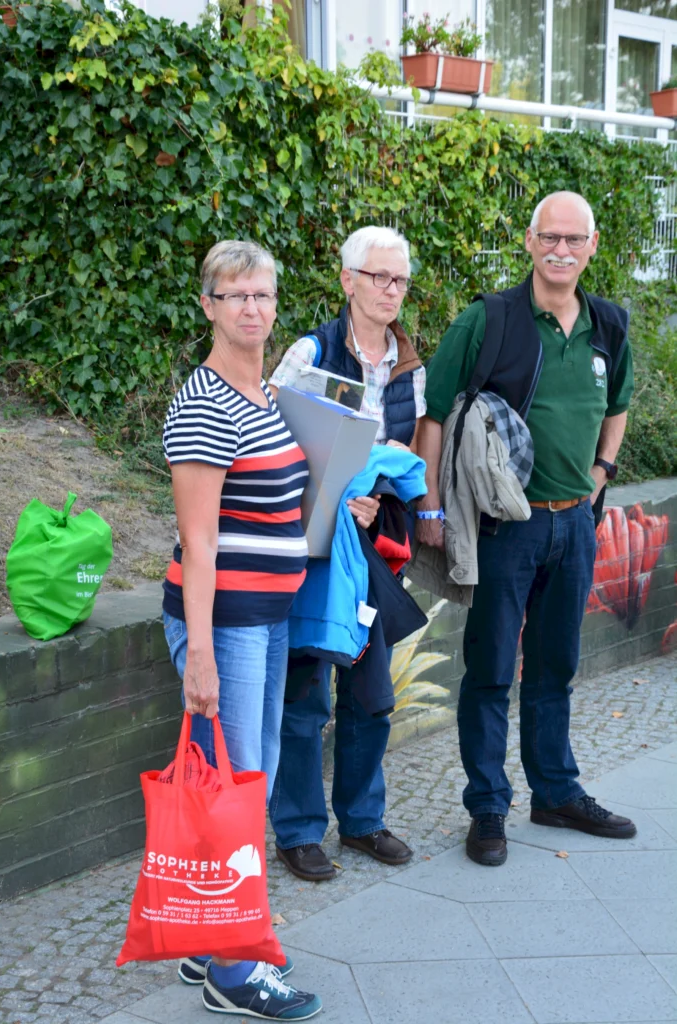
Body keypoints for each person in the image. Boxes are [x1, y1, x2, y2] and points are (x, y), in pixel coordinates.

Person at [416, 191, 637, 867]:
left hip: (575, 525)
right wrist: (429, 508)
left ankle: (555, 792)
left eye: (573, 239)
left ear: (591, 247)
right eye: (550, 237)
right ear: (529, 241)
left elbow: (618, 405)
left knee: (554, 666)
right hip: (502, 529)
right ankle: (487, 806)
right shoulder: (488, 320)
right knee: (489, 670)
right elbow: (433, 415)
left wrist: (600, 472)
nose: (560, 250)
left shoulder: (607, 325)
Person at [161, 240, 323, 1019]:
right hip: (224, 626)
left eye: (262, 294)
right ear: (208, 307)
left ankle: (208, 941)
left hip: (265, 618)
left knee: (245, 780)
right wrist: (199, 654)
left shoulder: (261, 395)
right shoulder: (204, 404)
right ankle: (233, 972)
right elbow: (198, 542)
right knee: (233, 790)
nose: (252, 308)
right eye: (235, 296)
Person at [268, 225, 427, 882]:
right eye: (378, 277)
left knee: (370, 692)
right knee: (304, 693)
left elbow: (407, 457)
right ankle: (299, 831)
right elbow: (271, 434)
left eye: (399, 280)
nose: (390, 290)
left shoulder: (412, 368)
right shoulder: (311, 353)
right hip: (311, 549)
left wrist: (376, 496)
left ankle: (362, 820)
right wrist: (332, 495)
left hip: (372, 550)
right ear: (347, 281)